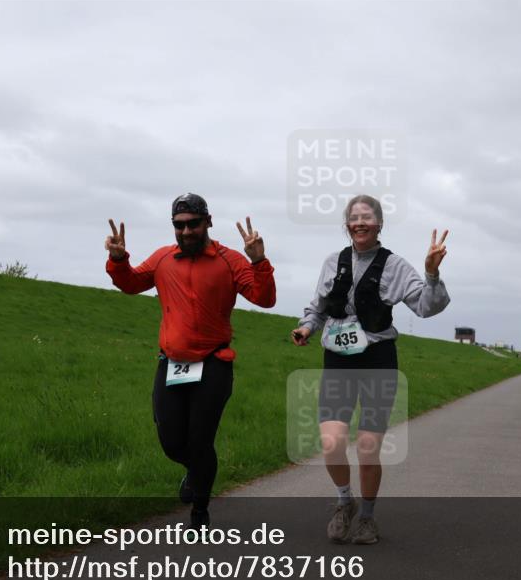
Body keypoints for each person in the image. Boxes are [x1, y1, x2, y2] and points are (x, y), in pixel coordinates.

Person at [105, 193, 276, 530]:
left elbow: (265, 298)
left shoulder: (229, 261)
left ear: (208, 222)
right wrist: (120, 258)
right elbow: (130, 283)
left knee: (199, 441)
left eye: (193, 224)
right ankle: (195, 472)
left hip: (214, 364)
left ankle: (200, 508)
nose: (186, 231)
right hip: (171, 364)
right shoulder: (163, 259)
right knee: (171, 442)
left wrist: (259, 262)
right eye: (179, 225)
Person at [291, 195, 450, 544]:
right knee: (331, 441)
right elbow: (317, 308)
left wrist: (432, 274)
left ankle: (366, 517)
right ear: (347, 225)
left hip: (378, 359)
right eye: (354, 218)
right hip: (338, 358)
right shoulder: (333, 262)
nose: (360, 223)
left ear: (379, 224)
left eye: (367, 217)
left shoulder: (395, 266)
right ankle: (343, 502)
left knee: (366, 446)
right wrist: (306, 327)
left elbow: (427, 307)